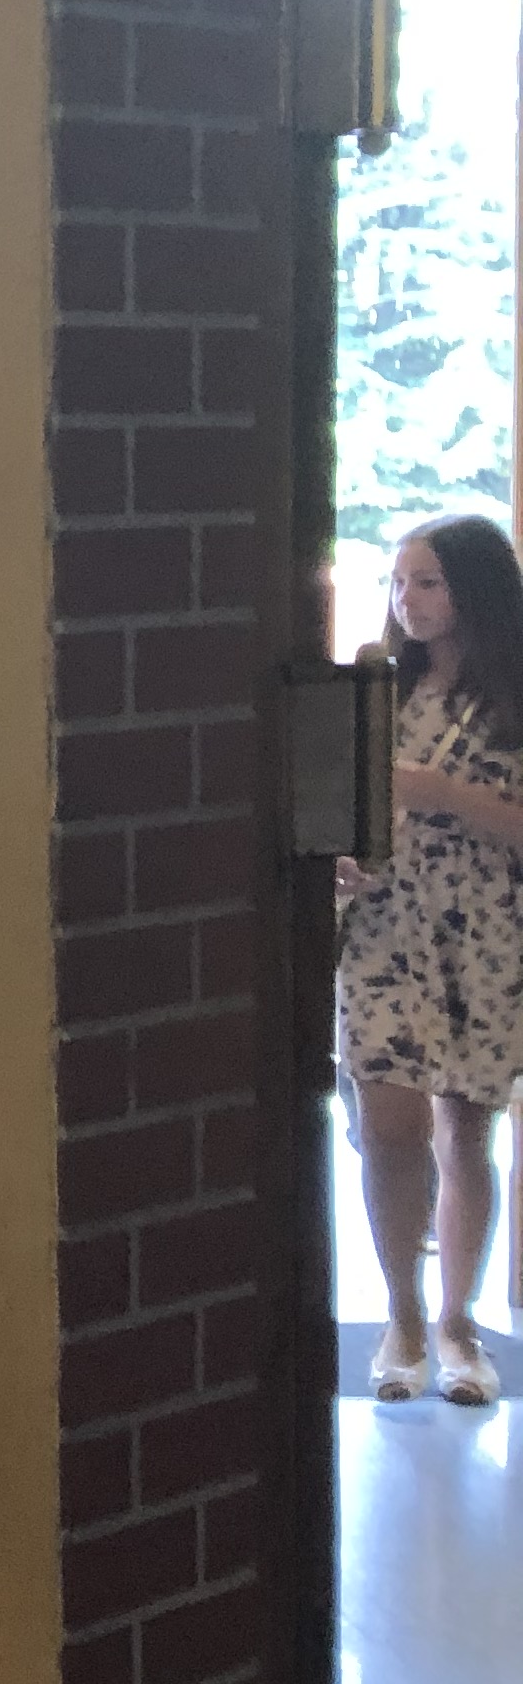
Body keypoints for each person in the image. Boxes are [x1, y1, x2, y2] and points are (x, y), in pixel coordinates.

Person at [339, 512, 523, 1405]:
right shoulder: (378, 690)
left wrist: (443, 793)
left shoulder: (512, 699)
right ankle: (402, 1316)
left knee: (466, 1131)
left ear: (474, 591)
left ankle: (458, 1322)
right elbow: (336, 800)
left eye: (428, 582)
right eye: (398, 582)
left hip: (482, 927)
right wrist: (342, 857)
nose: (406, 601)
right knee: (387, 1126)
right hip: (383, 924)